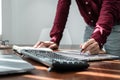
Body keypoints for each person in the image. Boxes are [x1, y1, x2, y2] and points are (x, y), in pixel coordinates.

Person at [34, 0, 120, 56]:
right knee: (89, 68)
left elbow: (109, 8)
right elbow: (63, 5)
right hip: (91, 28)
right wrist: (55, 38)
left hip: (115, 28)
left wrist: (98, 37)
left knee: (114, 68)